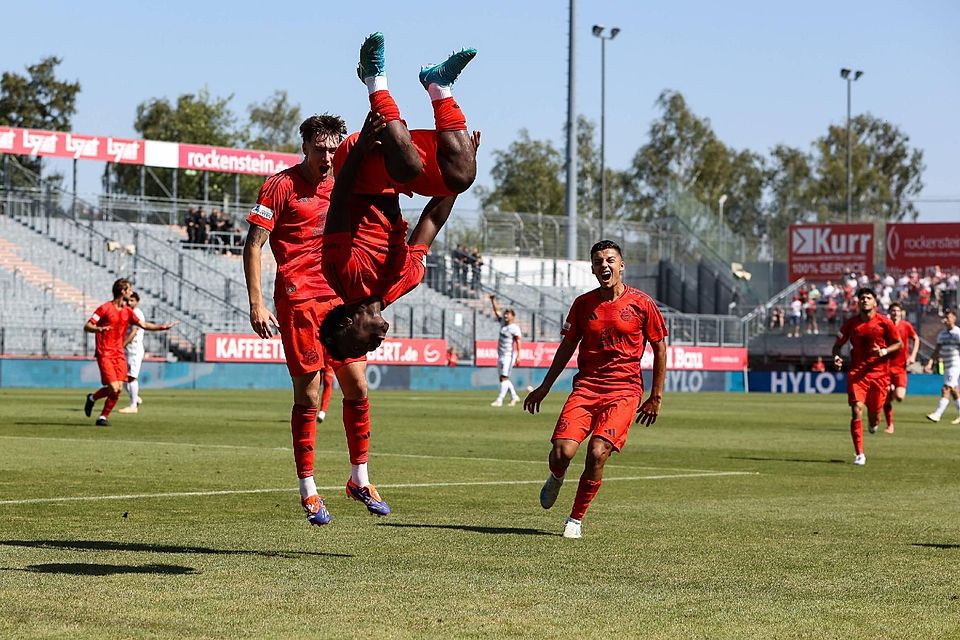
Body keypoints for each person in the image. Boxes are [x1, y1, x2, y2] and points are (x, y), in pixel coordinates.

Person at [244, 113, 390, 528]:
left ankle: (359, 478)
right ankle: (308, 489)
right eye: (320, 148)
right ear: (305, 146)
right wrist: (257, 303)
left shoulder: (345, 179)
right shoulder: (280, 185)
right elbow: (253, 245)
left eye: (332, 148)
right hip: (298, 299)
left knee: (358, 385)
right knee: (308, 396)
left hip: (339, 297)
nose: (327, 156)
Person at [320, 32, 480, 360]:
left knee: (408, 167)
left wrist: (361, 146)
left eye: (361, 345)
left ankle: (373, 77)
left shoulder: (340, 275)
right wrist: (454, 186)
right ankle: (439, 85)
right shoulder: (403, 283)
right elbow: (432, 220)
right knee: (463, 172)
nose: (372, 346)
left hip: (358, 169)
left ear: (348, 323)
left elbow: (338, 201)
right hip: (394, 179)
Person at [524, 240, 667, 539]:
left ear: (621, 265)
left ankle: (575, 519)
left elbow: (659, 346)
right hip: (587, 388)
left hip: (624, 391)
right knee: (562, 452)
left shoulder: (642, 304)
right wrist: (545, 386)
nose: (605, 265)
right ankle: (557, 475)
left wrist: (655, 396)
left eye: (610, 260)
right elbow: (566, 347)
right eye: (599, 261)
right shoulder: (583, 304)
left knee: (597, 452)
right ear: (592, 268)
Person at [83, 279, 174, 426]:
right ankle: (92, 399)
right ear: (122, 291)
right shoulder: (105, 308)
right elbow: (87, 326)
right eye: (129, 290)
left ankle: (102, 417)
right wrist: (98, 329)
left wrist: (162, 327)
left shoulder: (127, 311)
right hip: (105, 352)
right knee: (114, 387)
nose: (131, 292)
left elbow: (143, 325)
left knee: (118, 389)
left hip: (119, 353)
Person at [832, 288, 902, 466]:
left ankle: (874, 423)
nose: (865, 300)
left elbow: (899, 344)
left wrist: (884, 351)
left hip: (879, 375)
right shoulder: (850, 324)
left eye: (868, 298)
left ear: (875, 303)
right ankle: (859, 454)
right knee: (856, 409)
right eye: (862, 298)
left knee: (875, 415)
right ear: (858, 302)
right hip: (857, 374)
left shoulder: (884, 323)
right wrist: (836, 356)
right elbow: (837, 345)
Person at [882, 301, 919, 433]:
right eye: (893, 311)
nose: (895, 313)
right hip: (886, 366)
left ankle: (891, 394)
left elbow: (916, 339)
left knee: (899, 397)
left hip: (900, 367)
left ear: (901, 313)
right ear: (890, 312)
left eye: (897, 311)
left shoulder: (906, 326)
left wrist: (913, 356)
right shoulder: (886, 325)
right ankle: (889, 425)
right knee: (886, 395)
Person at [923, 310, 960, 424]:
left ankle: (937, 414)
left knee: (946, 388)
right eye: (945, 318)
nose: (946, 320)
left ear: (954, 318)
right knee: (954, 391)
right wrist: (930, 363)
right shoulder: (942, 334)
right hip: (947, 365)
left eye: (948, 317)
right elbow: (937, 350)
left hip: (955, 364)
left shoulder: (957, 333)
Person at [488, 293, 522, 407]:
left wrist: (519, 355)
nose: (506, 316)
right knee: (502, 379)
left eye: (508, 314)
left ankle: (500, 399)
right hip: (501, 354)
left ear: (513, 316)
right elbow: (496, 311)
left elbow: (518, 341)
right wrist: (493, 300)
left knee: (504, 377)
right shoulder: (502, 323)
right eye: (505, 314)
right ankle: (514, 396)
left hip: (508, 355)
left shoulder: (515, 328)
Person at [118, 291, 146, 414]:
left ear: (137, 301)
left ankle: (133, 405)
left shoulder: (137, 313)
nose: (129, 302)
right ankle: (135, 397)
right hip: (128, 350)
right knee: (123, 377)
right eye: (128, 300)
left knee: (131, 378)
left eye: (132, 300)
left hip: (134, 350)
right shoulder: (128, 312)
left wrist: (122, 345)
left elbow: (133, 332)